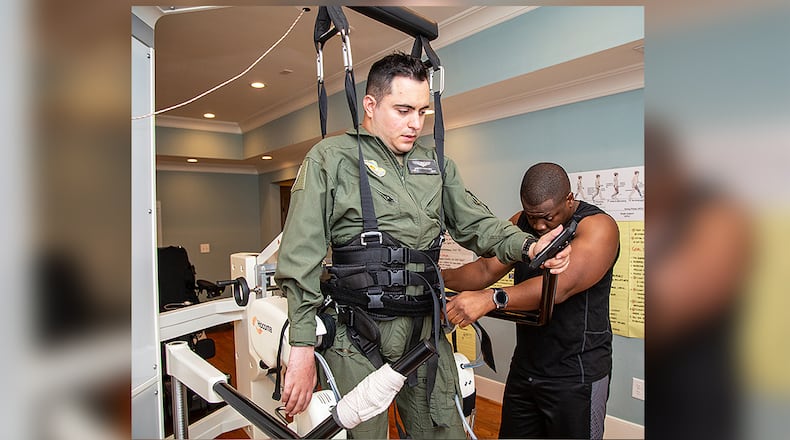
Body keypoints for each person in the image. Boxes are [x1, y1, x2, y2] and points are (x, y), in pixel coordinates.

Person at [274, 53, 571, 439]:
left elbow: (478, 224)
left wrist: (530, 246)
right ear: (370, 105)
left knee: (442, 430)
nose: (416, 123)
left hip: (424, 334)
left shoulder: (437, 166)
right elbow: (301, 257)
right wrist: (301, 349)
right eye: (403, 110)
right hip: (358, 334)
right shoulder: (331, 159)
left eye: (422, 111)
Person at [442, 162, 620, 439]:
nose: (538, 225)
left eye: (547, 217)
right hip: (526, 367)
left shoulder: (598, 227)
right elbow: (485, 269)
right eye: (531, 215)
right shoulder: (521, 222)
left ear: (569, 200)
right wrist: (436, 277)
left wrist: (492, 298)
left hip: (577, 372)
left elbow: (560, 287)